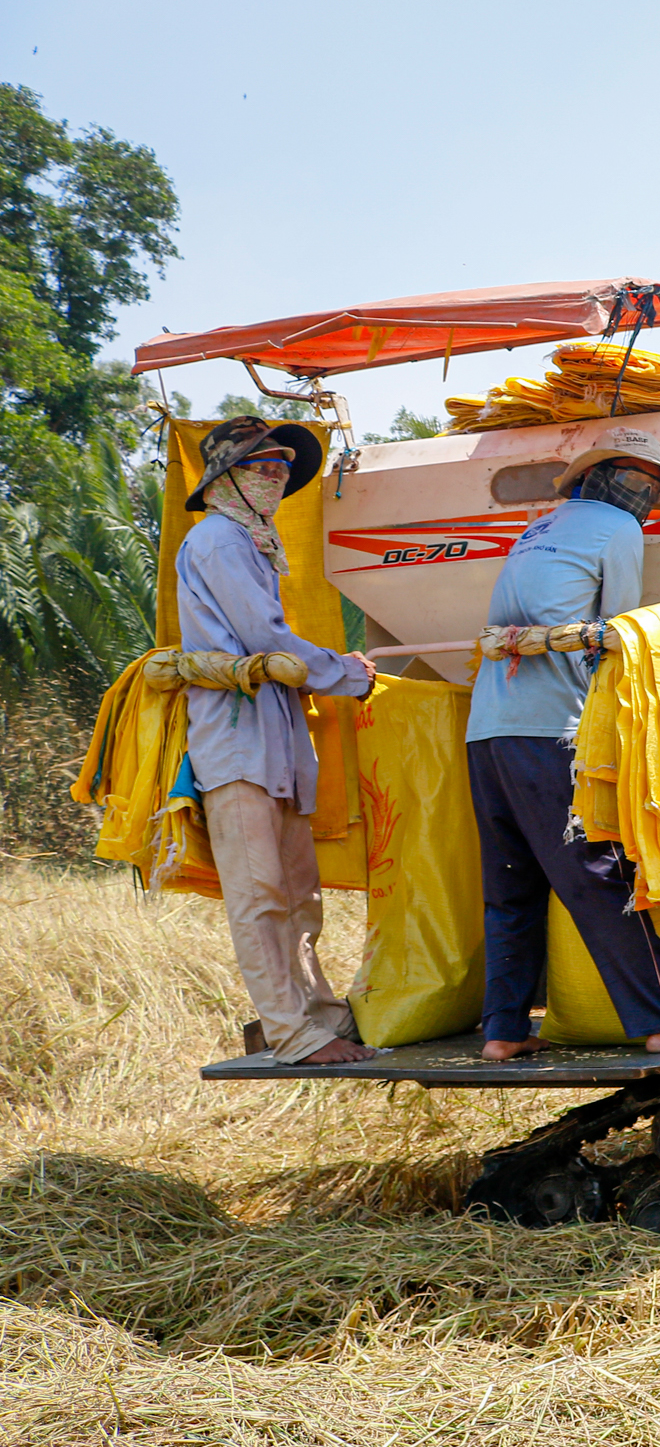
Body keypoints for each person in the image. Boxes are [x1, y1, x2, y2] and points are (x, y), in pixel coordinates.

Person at [464, 425, 660, 1062]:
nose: (643, 495)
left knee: (511, 889)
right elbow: (618, 634)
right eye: (639, 481)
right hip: (548, 732)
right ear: (606, 479)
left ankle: (502, 1032)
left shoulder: (540, 527)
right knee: (599, 875)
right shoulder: (619, 529)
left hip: (489, 732)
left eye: (650, 486)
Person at [176, 416, 381, 1065]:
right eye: (261, 463)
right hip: (236, 741)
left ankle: (319, 1013)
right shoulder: (219, 540)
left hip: (275, 736)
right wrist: (344, 672)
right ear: (223, 478)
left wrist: (327, 668)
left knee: (298, 888)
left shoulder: (252, 542)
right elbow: (265, 639)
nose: (276, 472)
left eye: (282, 465)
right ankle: (293, 1034)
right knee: (260, 890)